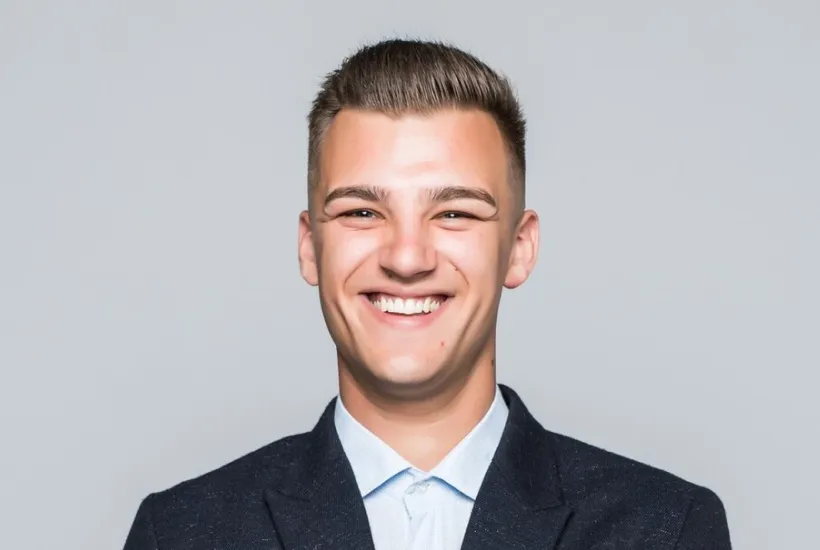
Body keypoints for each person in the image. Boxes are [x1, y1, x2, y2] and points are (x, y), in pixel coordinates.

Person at [123, 38, 732, 549]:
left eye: (455, 213)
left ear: (518, 248)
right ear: (310, 247)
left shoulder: (666, 530)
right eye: (362, 211)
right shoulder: (178, 534)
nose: (407, 258)